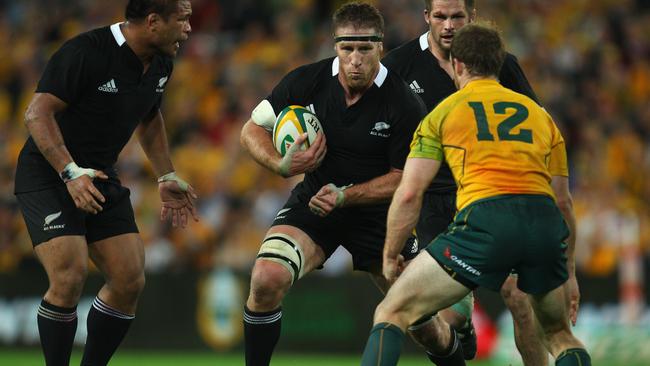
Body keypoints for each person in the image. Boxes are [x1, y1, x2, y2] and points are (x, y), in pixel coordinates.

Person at [239, 2, 465, 365]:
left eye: (364, 48)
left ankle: (454, 350)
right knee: (266, 278)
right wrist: (279, 164)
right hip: (315, 204)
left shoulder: (404, 103)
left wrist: (346, 195)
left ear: (380, 46)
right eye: (347, 48)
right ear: (335, 46)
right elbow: (252, 129)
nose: (355, 59)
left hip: (381, 218)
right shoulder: (306, 81)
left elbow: (405, 178)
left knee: (425, 327)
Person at [360, 23, 591, 366]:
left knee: (391, 311)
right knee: (560, 337)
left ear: (458, 65)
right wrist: (569, 274)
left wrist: (391, 254)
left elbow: (409, 194)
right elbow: (563, 203)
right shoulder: (542, 118)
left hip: (486, 219)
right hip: (543, 224)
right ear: (499, 64)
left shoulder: (443, 112)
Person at [13, 1, 197, 365]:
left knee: (130, 278)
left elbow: (150, 116)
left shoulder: (162, 62)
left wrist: (166, 174)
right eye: (183, 19)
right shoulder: (85, 51)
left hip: (98, 174)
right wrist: (69, 172)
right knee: (70, 273)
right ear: (153, 21)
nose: (189, 29)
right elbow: (36, 114)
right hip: (49, 172)